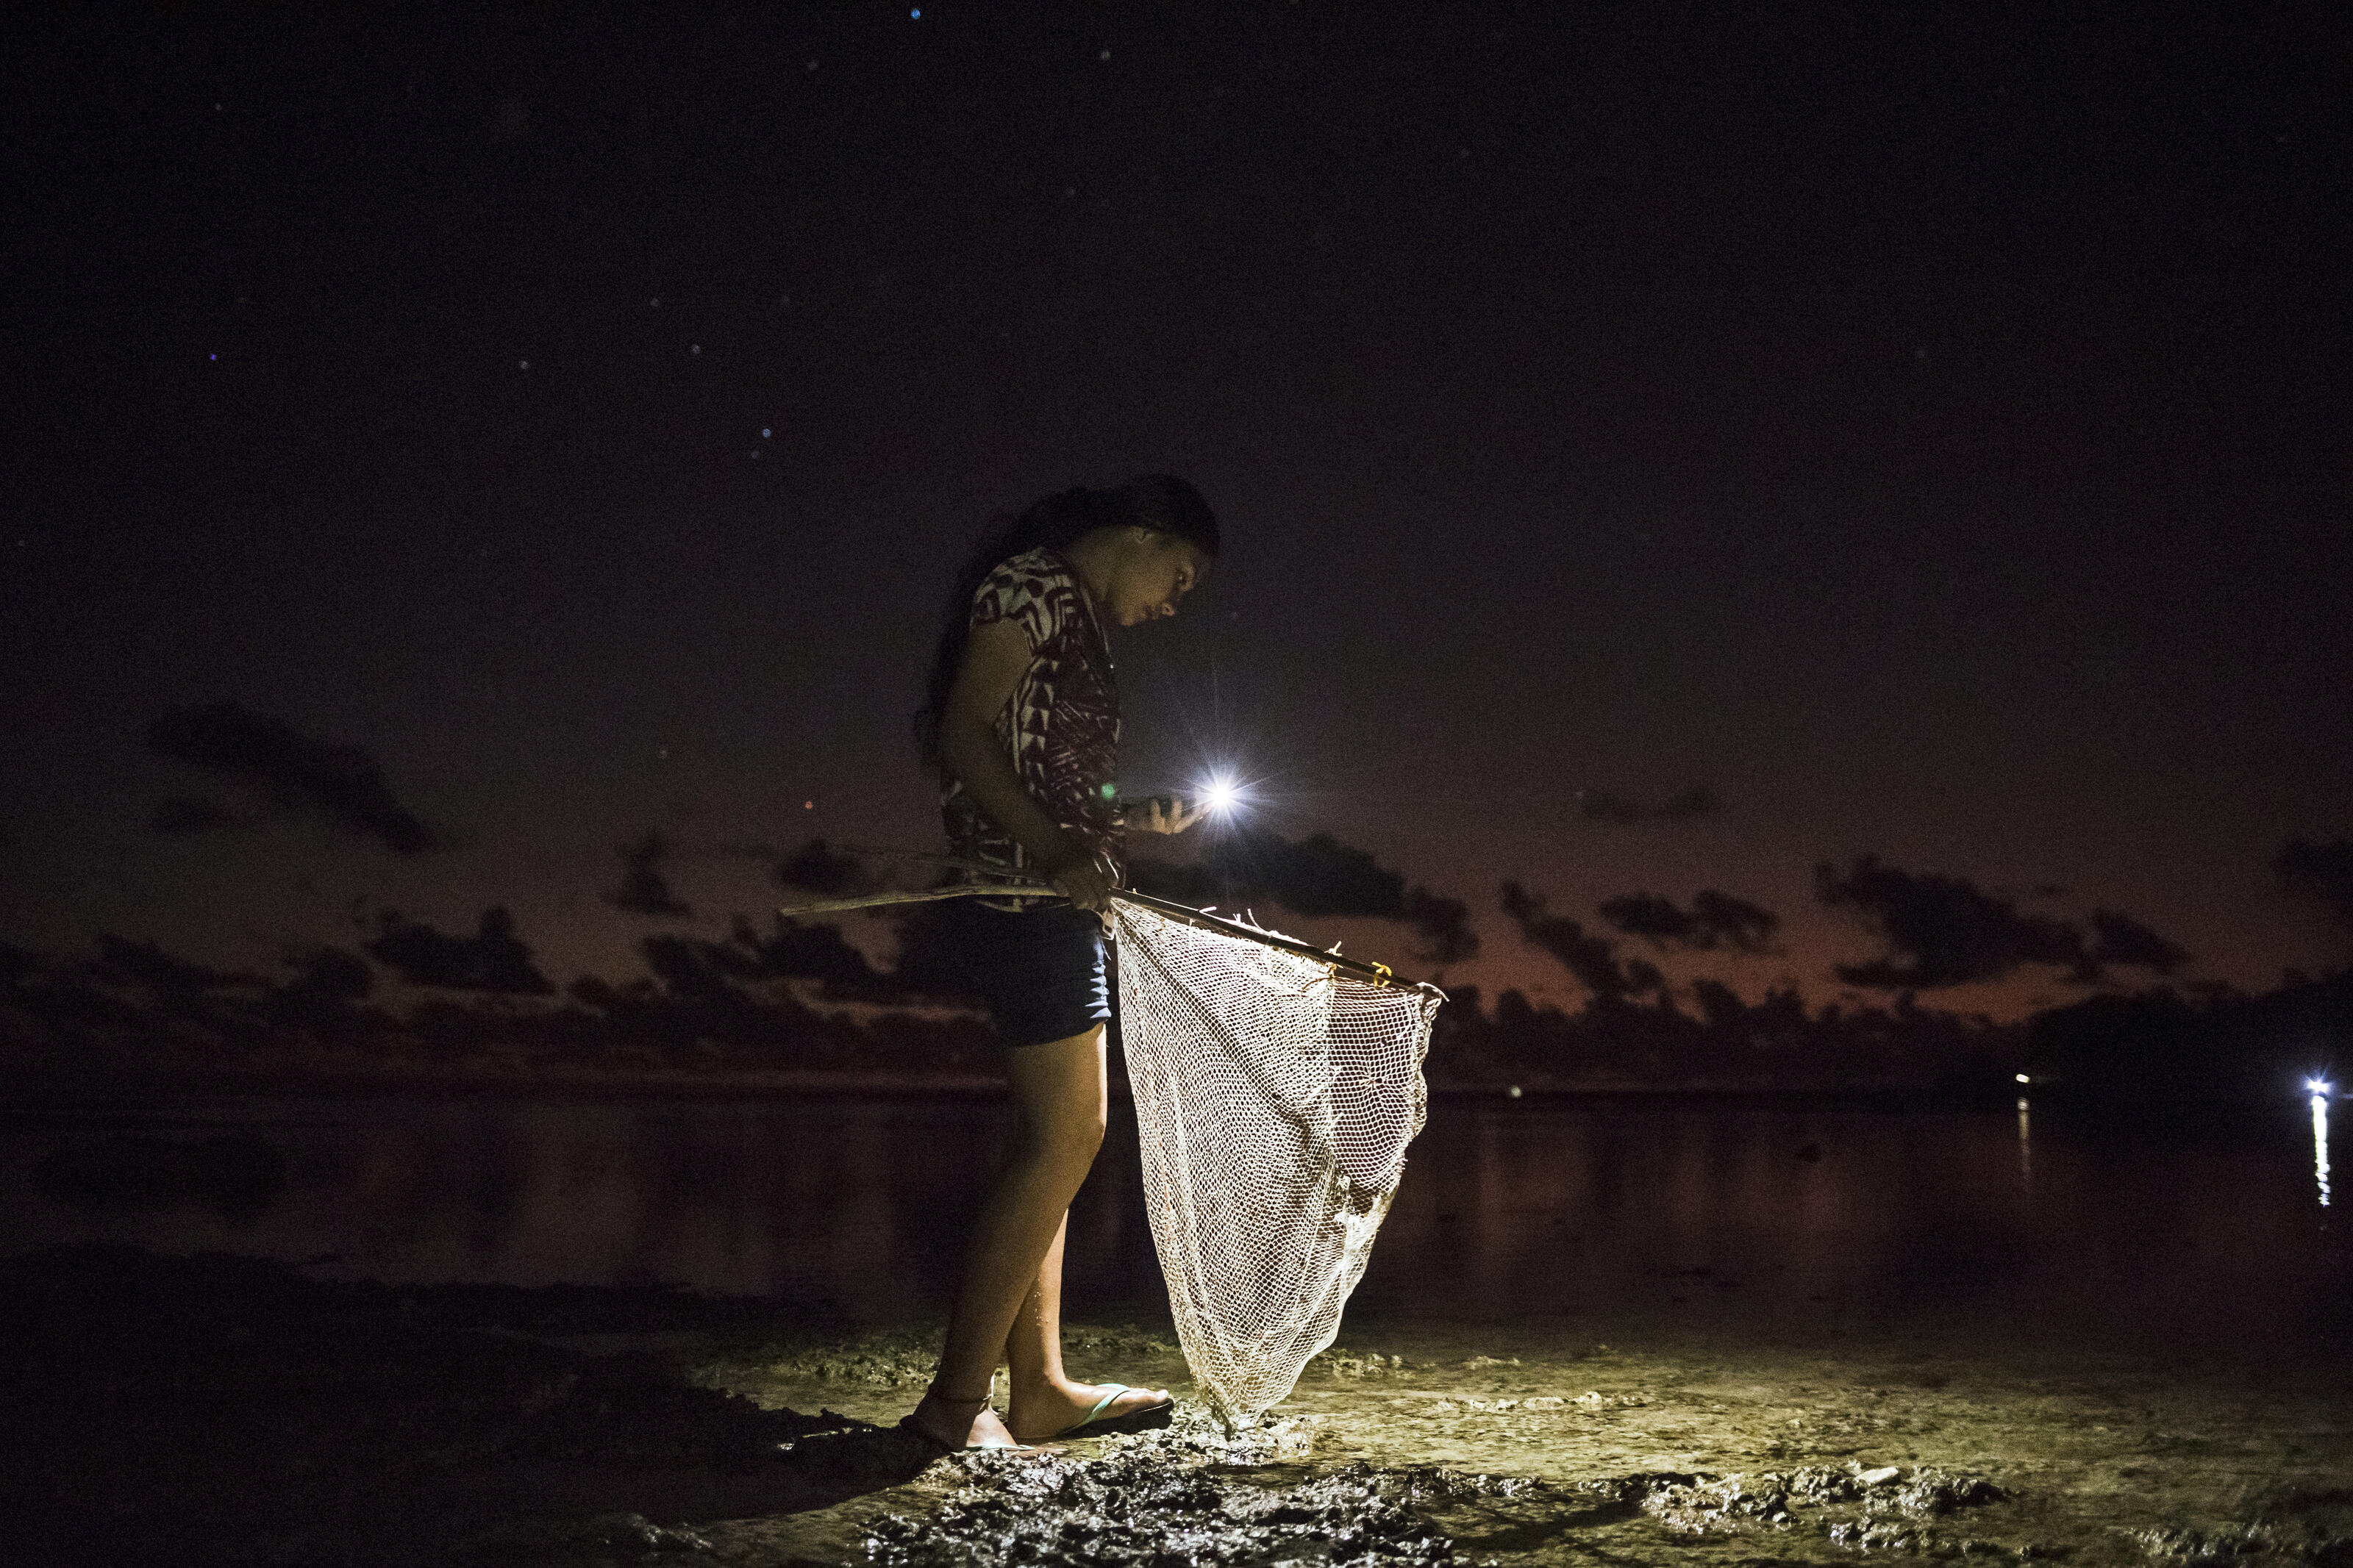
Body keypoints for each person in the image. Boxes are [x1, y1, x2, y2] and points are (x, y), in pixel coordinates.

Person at [904, 476, 1221, 1450]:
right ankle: (957, 1405)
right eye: (1178, 576)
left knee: (1053, 1139)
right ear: (1141, 534)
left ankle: (1037, 1386)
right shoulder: (1030, 588)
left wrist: (1121, 822)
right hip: (1019, 898)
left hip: (1051, 893)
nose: (1172, 602)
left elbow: (1036, 766)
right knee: (1070, 1134)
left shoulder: (1069, 612)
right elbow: (962, 732)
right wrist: (1051, 851)